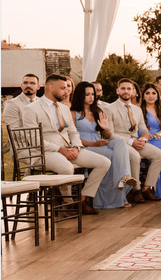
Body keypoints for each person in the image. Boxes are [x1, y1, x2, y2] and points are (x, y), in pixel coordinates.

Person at [21, 74, 111, 214]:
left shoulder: (64, 109)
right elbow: (33, 139)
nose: (66, 91)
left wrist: (76, 147)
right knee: (67, 168)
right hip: (45, 151)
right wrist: (60, 149)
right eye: (62, 88)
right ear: (50, 87)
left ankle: (82, 199)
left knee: (104, 162)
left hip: (69, 148)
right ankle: (68, 203)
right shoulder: (31, 109)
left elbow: (73, 132)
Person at [71, 82, 137, 209]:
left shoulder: (97, 111)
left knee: (120, 142)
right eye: (87, 94)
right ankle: (118, 186)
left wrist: (106, 128)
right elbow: (73, 138)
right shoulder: (73, 113)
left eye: (93, 94)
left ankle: (123, 176)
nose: (91, 97)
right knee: (111, 156)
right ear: (80, 95)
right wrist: (94, 144)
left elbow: (106, 135)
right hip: (86, 146)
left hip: (100, 143)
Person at [104, 78, 161, 203]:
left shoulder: (137, 110)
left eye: (129, 88)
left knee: (160, 155)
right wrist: (131, 142)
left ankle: (147, 188)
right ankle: (136, 190)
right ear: (118, 91)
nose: (126, 91)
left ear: (133, 91)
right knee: (135, 157)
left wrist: (142, 139)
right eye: (123, 88)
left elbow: (143, 128)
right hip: (118, 142)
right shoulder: (109, 109)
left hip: (136, 141)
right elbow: (110, 134)